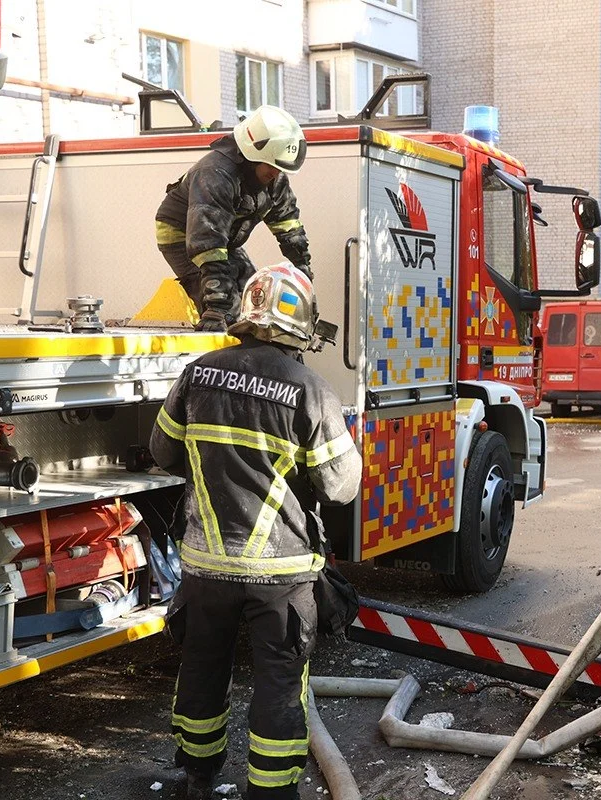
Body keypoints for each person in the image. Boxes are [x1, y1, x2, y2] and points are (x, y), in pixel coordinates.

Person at [149, 263, 361, 800]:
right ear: (302, 327)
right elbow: (341, 488)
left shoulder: (197, 375)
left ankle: (196, 776)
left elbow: (163, 451)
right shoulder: (310, 389)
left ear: (245, 314)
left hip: (205, 567)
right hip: (280, 575)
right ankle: (269, 790)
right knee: (279, 685)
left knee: (201, 669)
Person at [155, 105, 312, 332]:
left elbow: (287, 224)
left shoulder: (274, 179)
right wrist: (217, 306)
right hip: (183, 235)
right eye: (271, 166)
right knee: (229, 308)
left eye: (279, 168)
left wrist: (303, 271)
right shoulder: (215, 173)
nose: (276, 173)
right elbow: (207, 241)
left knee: (254, 296)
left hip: (223, 239)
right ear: (252, 156)